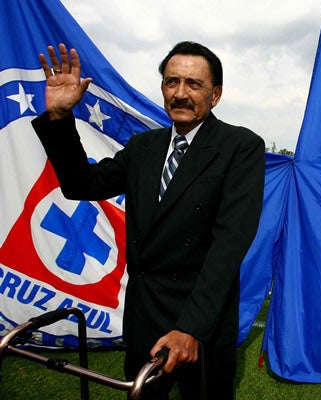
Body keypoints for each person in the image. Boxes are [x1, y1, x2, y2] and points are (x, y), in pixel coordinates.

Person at [31, 41, 265, 399]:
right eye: (172, 82)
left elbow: (229, 246)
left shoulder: (240, 147)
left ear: (215, 95)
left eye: (194, 84)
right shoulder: (144, 147)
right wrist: (60, 118)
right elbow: (82, 184)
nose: (180, 93)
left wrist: (191, 329)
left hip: (202, 324)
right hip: (145, 320)